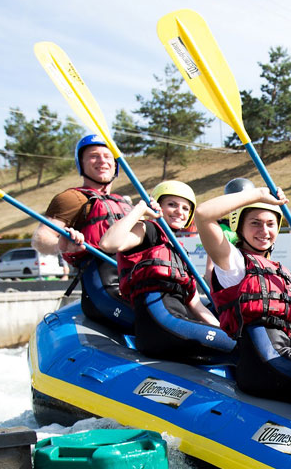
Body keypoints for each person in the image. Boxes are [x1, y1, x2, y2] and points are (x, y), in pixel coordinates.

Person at [194, 186, 291, 403]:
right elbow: (203, 215)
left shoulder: (283, 275)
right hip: (263, 369)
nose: (264, 230)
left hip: (281, 361)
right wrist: (258, 195)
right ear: (240, 228)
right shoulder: (233, 263)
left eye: (270, 224)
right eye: (255, 223)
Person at [98, 181, 234, 362]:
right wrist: (139, 210)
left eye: (185, 208)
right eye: (172, 204)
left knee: (238, 344)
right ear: (158, 206)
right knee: (240, 348)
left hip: (173, 324)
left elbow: (196, 306)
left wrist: (224, 332)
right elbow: (108, 243)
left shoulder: (179, 252)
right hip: (160, 326)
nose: (179, 211)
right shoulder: (148, 230)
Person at [32, 134, 135, 330]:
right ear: (82, 163)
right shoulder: (72, 198)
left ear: (116, 164)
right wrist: (63, 245)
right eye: (94, 156)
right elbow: (40, 239)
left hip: (132, 280)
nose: (102, 161)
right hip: (103, 285)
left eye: (108, 156)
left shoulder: (124, 203)